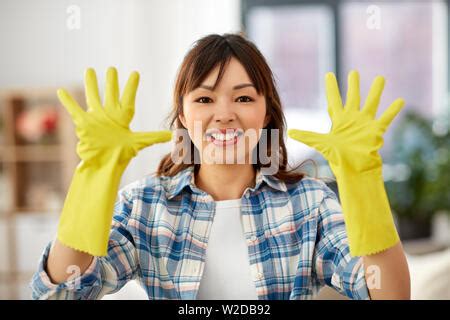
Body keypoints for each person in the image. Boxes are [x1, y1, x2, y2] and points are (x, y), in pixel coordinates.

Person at [29, 33, 410, 300]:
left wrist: (363, 181)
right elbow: (61, 292)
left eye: (243, 97)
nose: (224, 115)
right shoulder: (146, 204)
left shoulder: (308, 204)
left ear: (266, 113)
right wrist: (93, 175)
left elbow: (387, 294)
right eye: (204, 98)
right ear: (182, 113)